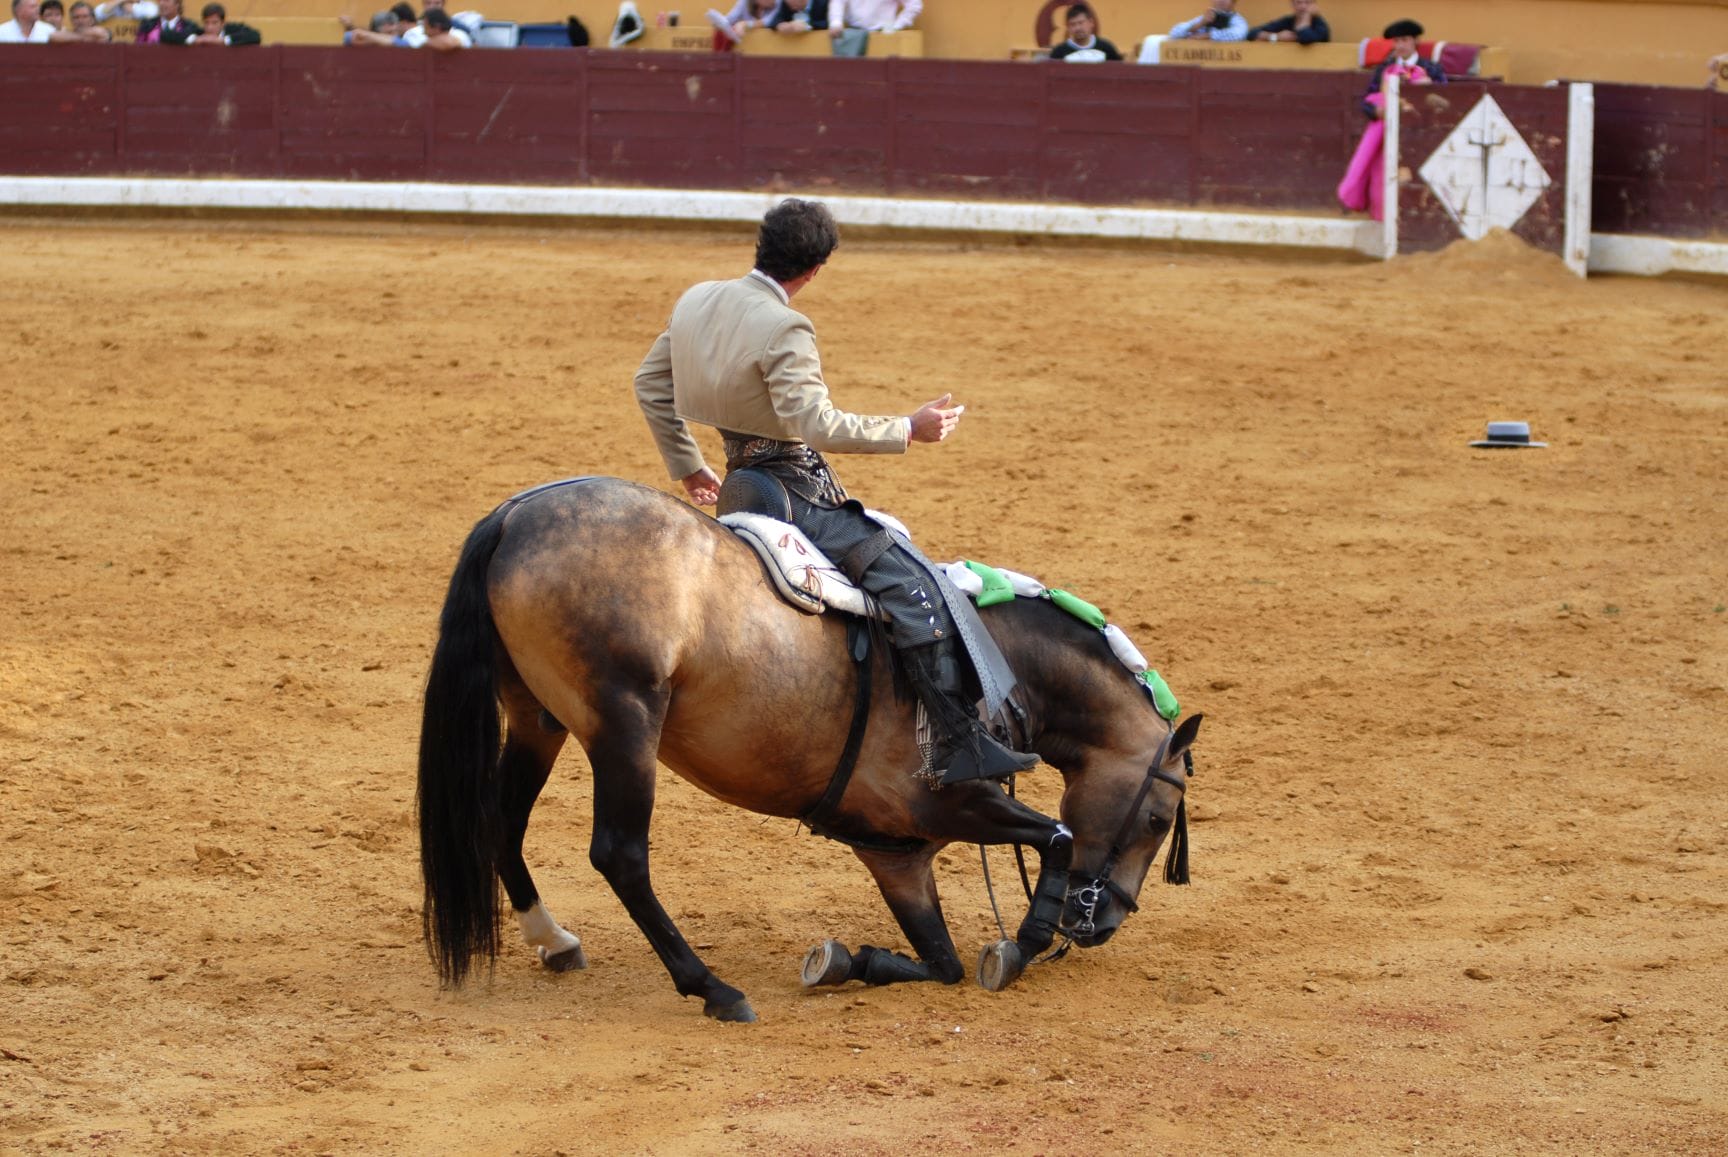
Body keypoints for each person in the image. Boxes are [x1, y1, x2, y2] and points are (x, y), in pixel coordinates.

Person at [633, 198, 1037, 786]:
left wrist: (689, 465)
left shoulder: (697, 298)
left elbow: (650, 384)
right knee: (916, 585)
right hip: (792, 490)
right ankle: (958, 741)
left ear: (761, 245)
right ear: (817, 268)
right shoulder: (785, 325)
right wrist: (908, 428)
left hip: (738, 489)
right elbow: (816, 426)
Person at [1362, 18, 1444, 116]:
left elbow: (1445, 96)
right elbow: (1369, 98)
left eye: (1405, 40)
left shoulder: (1431, 68)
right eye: (1396, 41)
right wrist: (1376, 111)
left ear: (1416, 40)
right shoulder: (1384, 68)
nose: (1400, 45)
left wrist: (1430, 86)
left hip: (1422, 122)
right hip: (1389, 123)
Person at [1048, 2, 1121, 61]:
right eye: (1073, 24)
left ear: (1091, 23)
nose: (1078, 28)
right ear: (1068, 27)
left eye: (1081, 23)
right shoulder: (1059, 52)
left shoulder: (1106, 48)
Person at [1249, 0, 1328, 43]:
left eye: (1307, 2)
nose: (1303, 6)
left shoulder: (1320, 24)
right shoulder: (1287, 21)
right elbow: (1252, 34)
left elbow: (1305, 37)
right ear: (1292, 4)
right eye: (1299, 2)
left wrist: (1307, 15)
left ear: (1314, 5)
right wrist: (1276, 37)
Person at [400, 0, 470, 46]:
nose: (432, 7)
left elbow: (450, 42)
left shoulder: (460, 34)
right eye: (428, 3)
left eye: (437, 3)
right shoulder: (412, 33)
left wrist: (425, 45)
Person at [1170, 0, 1246, 41]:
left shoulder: (1236, 20)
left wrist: (1205, 36)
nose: (1220, 1)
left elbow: (1238, 35)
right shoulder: (1204, 18)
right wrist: (1199, 24)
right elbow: (1174, 33)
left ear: (1233, 2)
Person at [192, 2, 259, 42]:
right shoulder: (199, 33)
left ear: (223, 23)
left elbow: (255, 35)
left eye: (214, 23)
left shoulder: (232, 29)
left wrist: (223, 40)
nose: (210, 27)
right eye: (206, 23)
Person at [339, 7, 408, 44]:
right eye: (389, 32)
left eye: (395, 32)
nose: (393, 36)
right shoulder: (360, 38)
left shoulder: (402, 43)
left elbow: (401, 43)